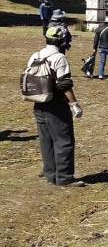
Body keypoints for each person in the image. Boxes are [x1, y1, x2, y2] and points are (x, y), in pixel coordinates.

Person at [30, 27, 85, 186]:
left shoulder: (36, 55)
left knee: (46, 140)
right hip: (56, 105)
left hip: (39, 103)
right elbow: (64, 84)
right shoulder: (59, 58)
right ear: (62, 41)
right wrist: (74, 104)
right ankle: (64, 178)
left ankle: (50, 174)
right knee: (64, 140)